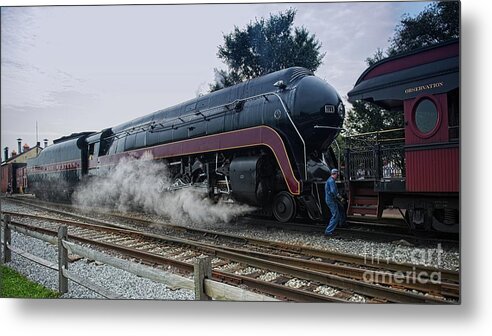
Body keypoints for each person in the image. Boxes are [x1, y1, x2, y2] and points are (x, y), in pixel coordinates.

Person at [324, 168, 341, 236]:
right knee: (336, 215)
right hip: (331, 200)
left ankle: (342, 223)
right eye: (337, 174)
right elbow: (333, 191)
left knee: (339, 211)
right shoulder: (331, 181)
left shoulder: (329, 180)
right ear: (336, 174)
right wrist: (340, 197)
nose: (338, 175)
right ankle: (328, 231)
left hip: (330, 199)